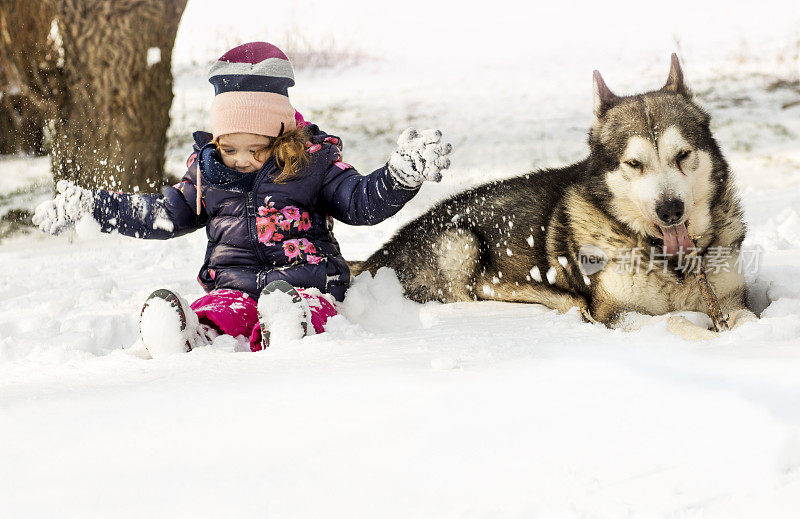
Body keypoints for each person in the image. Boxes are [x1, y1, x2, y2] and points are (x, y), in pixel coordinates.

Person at [32, 42, 452, 356]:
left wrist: (399, 176)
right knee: (220, 311)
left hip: (307, 283)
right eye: (230, 149)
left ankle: (290, 327)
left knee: (304, 305)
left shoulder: (314, 165)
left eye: (258, 148)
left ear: (283, 133)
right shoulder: (208, 172)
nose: (243, 160)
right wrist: (96, 208)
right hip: (234, 286)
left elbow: (360, 202)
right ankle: (192, 334)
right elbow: (161, 214)